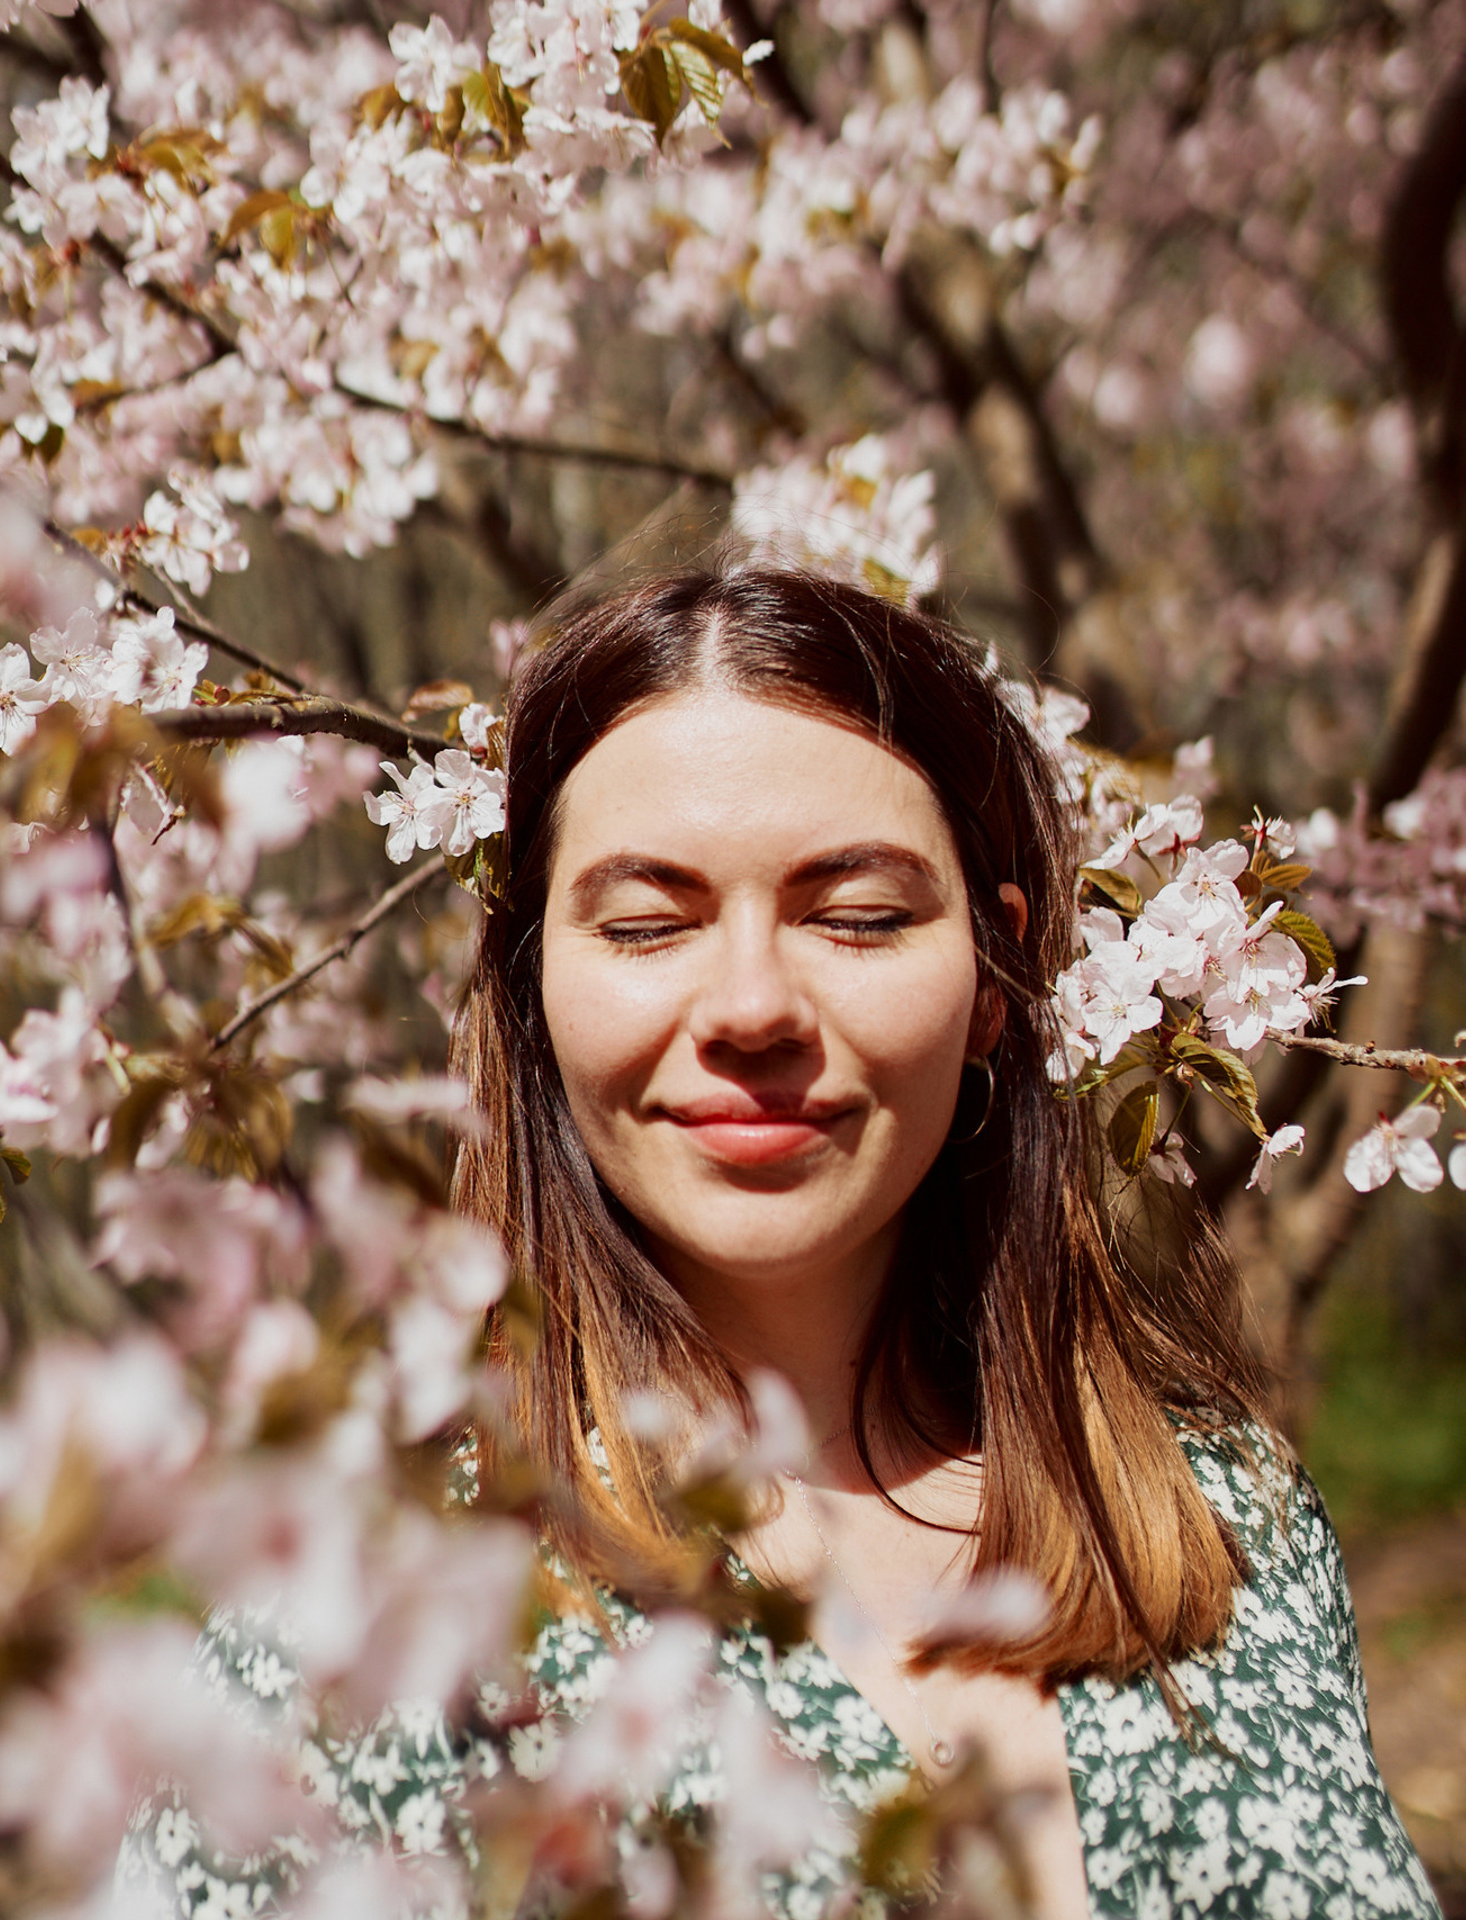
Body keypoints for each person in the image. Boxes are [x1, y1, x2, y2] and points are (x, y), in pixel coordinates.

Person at [122, 563, 1441, 1920]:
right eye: (647, 925)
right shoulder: (369, 1620)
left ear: (995, 977)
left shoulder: (1228, 1525)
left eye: (857, 916)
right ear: (531, 989)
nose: (752, 1006)